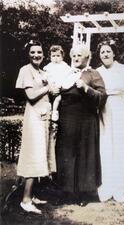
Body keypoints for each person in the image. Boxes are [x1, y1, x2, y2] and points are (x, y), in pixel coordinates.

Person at [55, 45, 107, 206]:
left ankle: (84, 193)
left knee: (84, 155)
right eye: (74, 56)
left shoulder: (93, 73)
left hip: (86, 120)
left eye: (79, 56)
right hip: (66, 120)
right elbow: (57, 95)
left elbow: (102, 97)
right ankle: (67, 192)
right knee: (66, 155)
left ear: (87, 58)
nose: (76, 58)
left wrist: (86, 88)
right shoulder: (66, 74)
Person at [15, 40, 58, 214]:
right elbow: (31, 95)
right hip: (33, 118)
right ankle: (25, 200)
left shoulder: (42, 71)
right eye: (33, 52)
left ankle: (31, 195)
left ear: (43, 54)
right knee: (33, 154)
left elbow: (49, 92)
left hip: (44, 116)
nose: (36, 55)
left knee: (41, 154)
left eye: (39, 52)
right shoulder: (25, 70)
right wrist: (48, 88)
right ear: (28, 54)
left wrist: (52, 90)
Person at [96, 39, 124, 203]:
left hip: (120, 107)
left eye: (108, 51)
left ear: (114, 53)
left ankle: (120, 189)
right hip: (103, 110)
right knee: (105, 148)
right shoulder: (96, 71)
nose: (105, 54)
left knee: (120, 148)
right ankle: (106, 188)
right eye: (102, 52)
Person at [43, 45, 71, 122]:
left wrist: (73, 71)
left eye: (58, 56)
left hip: (60, 86)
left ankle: (55, 111)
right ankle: (49, 111)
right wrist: (45, 78)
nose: (56, 58)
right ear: (50, 57)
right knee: (48, 99)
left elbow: (70, 71)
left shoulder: (64, 65)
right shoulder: (49, 66)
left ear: (62, 56)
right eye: (53, 56)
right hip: (52, 85)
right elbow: (45, 73)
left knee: (59, 98)